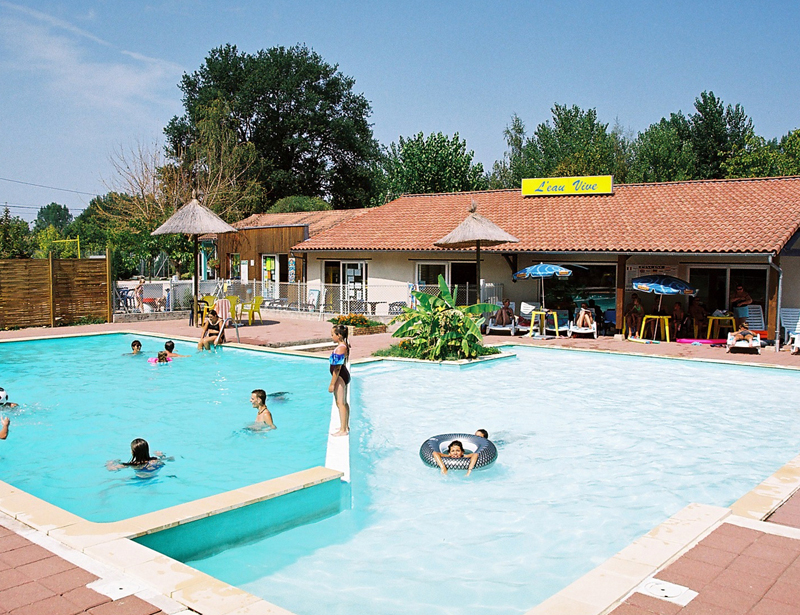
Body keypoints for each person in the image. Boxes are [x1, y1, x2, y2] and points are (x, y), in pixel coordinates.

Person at [329, 325, 350, 437]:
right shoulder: (342, 346)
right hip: (342, 376)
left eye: (333, 334)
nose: (332, 336)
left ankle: (343, 430)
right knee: (343, 402)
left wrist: (332, 384)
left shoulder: (341, 348)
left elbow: (337, 368)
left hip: (340, 377)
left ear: (339, 335)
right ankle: (345, 425)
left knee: (340, 403)